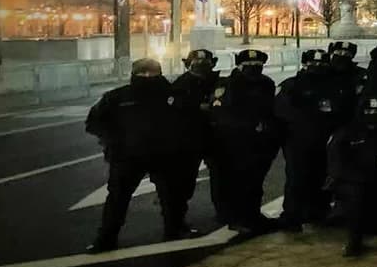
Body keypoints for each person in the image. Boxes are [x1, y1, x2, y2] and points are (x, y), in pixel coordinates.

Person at [85, 58, 191, 252]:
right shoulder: (117, 97)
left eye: (152, 72)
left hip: (163, 154)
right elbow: (94, 122)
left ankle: (175, 229)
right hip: (129, 156)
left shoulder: (173, 94)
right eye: (143, 72)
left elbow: (187, 121)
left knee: (171, 196)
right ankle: (106, 238)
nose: (148, 76)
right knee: (118, 198)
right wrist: (115, 140)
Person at [275, 49, 349, 230]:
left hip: (325, 141)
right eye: (313, 63)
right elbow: (282, 111)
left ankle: (318, 212)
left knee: (322, 177)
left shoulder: (333, 86)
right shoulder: (292, 85)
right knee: (297, 178)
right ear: (304, 64)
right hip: (299, 141)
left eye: (321, 63)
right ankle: (292, 216)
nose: (317, 67)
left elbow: (341, 112)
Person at [211, 49, 282, 233]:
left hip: (260, 142)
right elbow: (221, 112)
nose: (253, 68)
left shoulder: (266, 83)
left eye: (257, 65)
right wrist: (249, 125)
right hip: (234, 142)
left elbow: (271, 110)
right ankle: (236, 218)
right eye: (248, 65)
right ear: (239, 66)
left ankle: (252, 215)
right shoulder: (227, 84)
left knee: (254, 182)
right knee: (236, 182)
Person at [328, 95, 377, 257]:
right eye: (369, 111)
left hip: (374, 176)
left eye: (376, 111)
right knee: (355, 201)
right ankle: (354, 241)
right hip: (351, 180)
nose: (373, 114)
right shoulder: (348, 132)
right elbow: (337, 161)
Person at [171, 48, 221, 226]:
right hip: (189, 138)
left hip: (216, 137)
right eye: (196, 63)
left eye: (205, 63)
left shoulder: (219, 82)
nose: (201, 66)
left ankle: (224, 212)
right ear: (188, 65)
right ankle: (176, 221)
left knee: (222, 178)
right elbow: (174, 109)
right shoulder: (180, 85)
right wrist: (197, 108)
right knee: (184, 181)